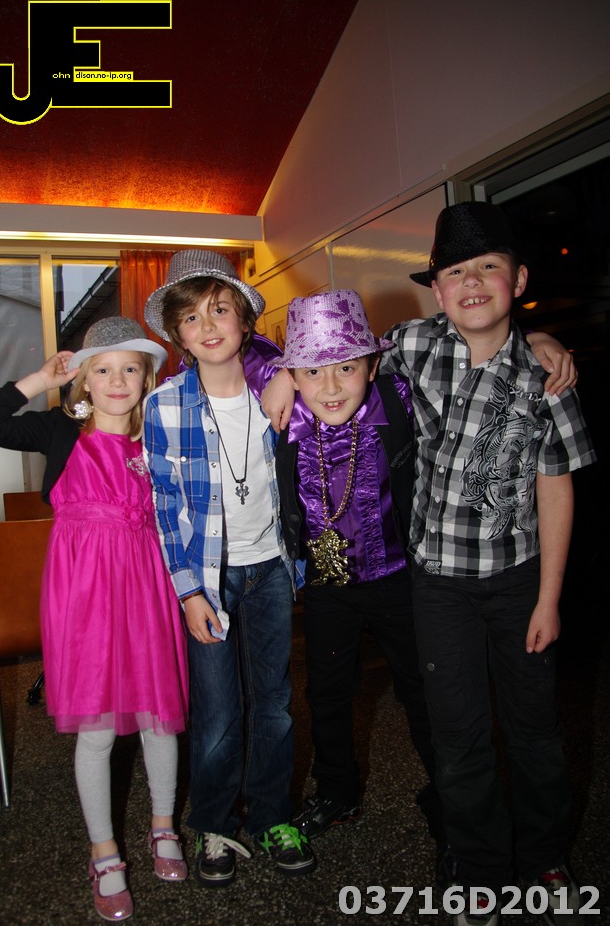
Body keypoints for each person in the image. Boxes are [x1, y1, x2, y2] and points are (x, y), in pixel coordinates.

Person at [375, 202, 595, 926]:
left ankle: (544, 857)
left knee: (535, 729)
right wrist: (287, 376)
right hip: (437, 583)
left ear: (518, 280)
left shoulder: (545, 376)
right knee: (458, 734)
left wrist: (549, 599)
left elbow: (555, 488)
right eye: (455, 272)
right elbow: (337, 359)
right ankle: (477, 868)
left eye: (488, 268)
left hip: (519, 580)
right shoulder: (412, 344)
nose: (471, 283)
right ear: (437, 290)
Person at [0, 317, 190, 923]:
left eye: (130, 368)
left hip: (148, 587)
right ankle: (103, 851)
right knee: (98, 728)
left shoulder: (159, 438)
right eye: (102, 369)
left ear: (147, 378)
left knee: (158, 717)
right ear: (82, 381)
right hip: (84, 595)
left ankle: (163, 825)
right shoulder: (59, 431)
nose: (117, 380)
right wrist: (38, 380)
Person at [246, 289, 450, 878]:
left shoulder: (397, 399)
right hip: (328, 585)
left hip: (398, 579)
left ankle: (452, 799)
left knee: (423, 693)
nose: (331, 386)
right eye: (313, 371)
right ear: (294, 374)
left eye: (346, 368)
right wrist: (280, 375)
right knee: (327, 694)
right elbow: (228, 345)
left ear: (373, 366)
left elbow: (460, 343)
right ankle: (338, 792)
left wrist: (536, 337)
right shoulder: (287, 413)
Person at [141, 249, 315, 889]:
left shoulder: (278, 393)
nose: (208, 325)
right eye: (191, 318)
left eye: (219, 310)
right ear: (178, 336)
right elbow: (164, 506)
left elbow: (344, 358)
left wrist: (290, 373)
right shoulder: (164, 406)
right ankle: (214, 824)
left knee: (274, 703)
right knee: (216, 711)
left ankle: (273, 815)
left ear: (244, 320)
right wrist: (188, 592)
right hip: (208, 579)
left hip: (271, 568)